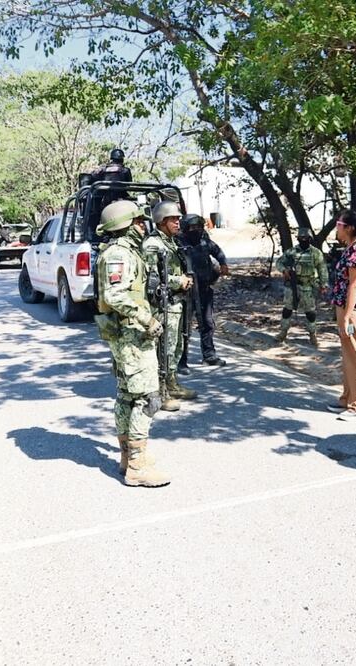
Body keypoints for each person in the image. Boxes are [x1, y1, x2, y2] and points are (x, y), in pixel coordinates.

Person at [93, 200, 171, 487]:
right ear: (125, 225)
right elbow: (114, 295)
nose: (143, 225)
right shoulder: (118, 254)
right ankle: (136, 467)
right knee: (147, 398)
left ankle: (129, 456)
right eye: (138, 221)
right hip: (132, 335)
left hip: (128, 334)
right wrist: (146, 319)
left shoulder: (123, 252)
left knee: (127, 395)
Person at [143, 201, 198, 412]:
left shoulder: (172, 242)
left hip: (176, 303)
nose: (178, 222)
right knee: (163, 350)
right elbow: (152, 276)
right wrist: (178, 281)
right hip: (163, 305)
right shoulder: (153, 244)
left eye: (178, 219)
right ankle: (161, 392)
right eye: (173, 219)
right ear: (162, 221)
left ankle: (172, 384)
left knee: (176, 347)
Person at [326, 210, 356, 420]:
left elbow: (354, 286)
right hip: (343, 307)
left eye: (339, 224)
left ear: (349, 228)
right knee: (348, 354)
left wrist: (346, 315)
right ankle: (347, 399)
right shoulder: (349, 249)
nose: (336, 228)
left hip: (352, 310)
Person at [179, 213, 229, 369]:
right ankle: (181, 360)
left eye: (199, 227)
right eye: (193, 227)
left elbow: (218, 251)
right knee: (183, 327)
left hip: (204, 289)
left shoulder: (204, 241)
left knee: (207, 323)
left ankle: (209, 355)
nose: (197, 230)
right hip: (186, 292)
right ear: (186, 228)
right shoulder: (177, 243)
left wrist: (223, 263)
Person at [275, 227, 329, 346]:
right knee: (287, 309)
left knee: (310, 312)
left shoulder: (316, 253)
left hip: (308, 286)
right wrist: (284, 270)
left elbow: (322, 269)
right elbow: (279, 262)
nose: (303, 240)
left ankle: (312, 334)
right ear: (298, 238)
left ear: (310, 238)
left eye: (306, 238)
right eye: (301, 238)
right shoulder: (291, 252)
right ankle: (283, 332)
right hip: (292, 285)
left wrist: (324, 284)